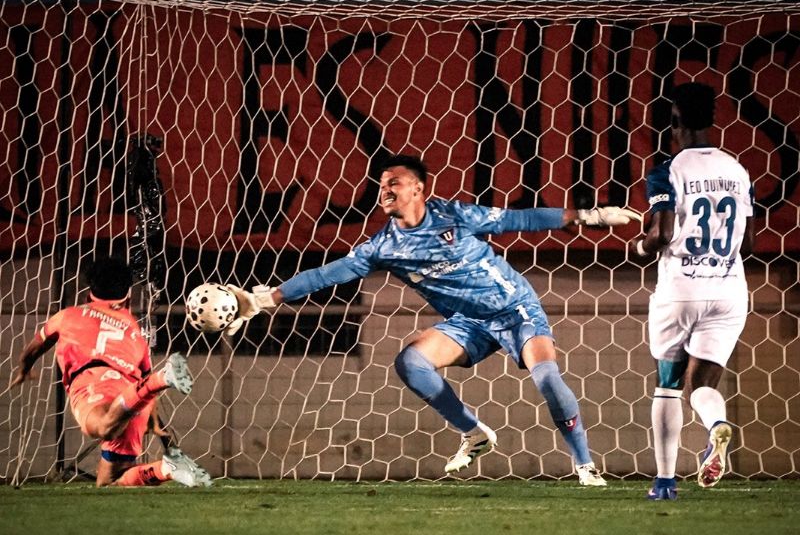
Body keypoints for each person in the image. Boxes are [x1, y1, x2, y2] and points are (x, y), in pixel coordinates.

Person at [227, 154, 641, 486]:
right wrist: (264, 299)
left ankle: (585, 466)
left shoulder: (454, 216)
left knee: (548, 380)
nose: (385, 188)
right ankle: (474, 432)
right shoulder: (382, 247)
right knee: (410, 362)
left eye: (395, 182)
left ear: (419, 188)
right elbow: (325, 274)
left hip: (514, 308)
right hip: (468, 322)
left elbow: (519, 219)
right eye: (383, 183)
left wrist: (591, 216)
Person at [629, 82, 755, 500]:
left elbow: (662, 234)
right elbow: (748, 244)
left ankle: (665, 482)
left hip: (681, 289)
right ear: (713, 119)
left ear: (675, 120)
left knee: (667, 385)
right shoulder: (738, 170)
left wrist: (641, 243)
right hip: (729, 291)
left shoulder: (668, 169)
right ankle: (716, 426)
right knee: (701, 385)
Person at [12, 255, 211, 488]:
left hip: (93, 382)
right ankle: (166, 469)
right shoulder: (133, 328)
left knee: (104, 427)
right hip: (132, 398)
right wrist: (154, 421)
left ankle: (163, 378)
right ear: (128, 294)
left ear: (89, 291)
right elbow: (143, 378)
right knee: (109, 484)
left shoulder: (67, 315)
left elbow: (34, 348)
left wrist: (24, 370)